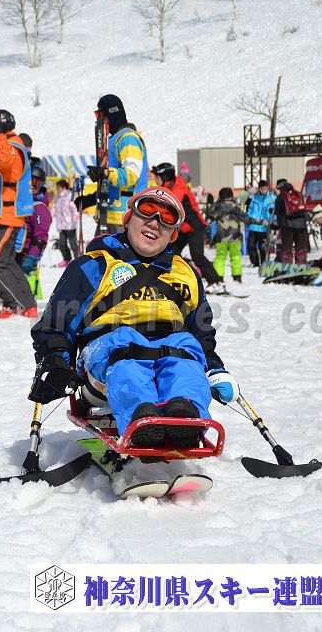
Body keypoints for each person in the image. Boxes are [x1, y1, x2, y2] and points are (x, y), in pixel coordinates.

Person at [29, 187, 239, 449]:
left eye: (167, 218)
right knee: (124, 349)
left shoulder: (186, 273)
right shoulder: (94, 265)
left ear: (173, 234)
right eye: (147, 211)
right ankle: (143, 419)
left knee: (186, 352)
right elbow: (56, 322)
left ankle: (185, 415)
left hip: (172, 346)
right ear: (128, 219)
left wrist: (214, 367)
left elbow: (201, 332)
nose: (155, 222)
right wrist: (56, 360)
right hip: (110, 351)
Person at [0, 109, 36, 318]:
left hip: (9, 212)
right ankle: (18, 303)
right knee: (4, 261)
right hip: (0, 212)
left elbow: (4, 165)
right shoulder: (3, 144)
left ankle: (22, 303)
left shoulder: (14, 144)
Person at [151, 163, 224, 294]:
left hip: (194, 226)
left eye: (157, 177)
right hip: (184, 228)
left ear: (164, 177)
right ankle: (177, 278)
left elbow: (170, 208)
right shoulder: (169, 188)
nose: (155, 180)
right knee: (172, 252)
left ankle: (216, 282)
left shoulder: (177, 189)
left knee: (197, 256)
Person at [86, 94, 148, 234]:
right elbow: (111, 183)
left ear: (111, 114)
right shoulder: (114, 140)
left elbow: (131, 174)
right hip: (110, 215)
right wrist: (90, 199)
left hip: (124, 216)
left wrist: (105, 172)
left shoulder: (128, 139)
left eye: (100, 115)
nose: (98, 120)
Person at [16, 163, 52, 304]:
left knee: (25, 287)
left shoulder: (40, 209)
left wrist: (31, 257)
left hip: (26, 255)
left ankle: (30, 302)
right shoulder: (21, 202)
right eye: (30, 181)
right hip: (14, 251)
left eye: (36, 183)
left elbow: (40, 237)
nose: (32, 185)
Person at [208, 187, 250, 284]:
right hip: (235, 236)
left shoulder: (217, 206)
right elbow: (245, 218)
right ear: (231, 195)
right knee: (235, 256)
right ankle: (237, 276)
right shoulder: (235, 206)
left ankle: (218, 277)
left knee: (220, 256)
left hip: (221, 236)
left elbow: (210, 216)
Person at [275, 178, 308, 264]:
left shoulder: (280, 197)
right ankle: (301, 266)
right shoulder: (299, 194)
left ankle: (287, 266)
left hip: (287, 226)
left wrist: (279, 226)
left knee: (287, 249)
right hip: (301, 226)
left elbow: (279, 214)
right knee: (300, 248)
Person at [246, 179, 273, 267]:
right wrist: (249, 217)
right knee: (251, 246)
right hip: (253, 226)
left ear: (267, 187)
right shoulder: (255, 198)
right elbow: (250, 209)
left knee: (263, 247)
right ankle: (255, 262)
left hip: (264, 227)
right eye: (261, 189)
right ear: (259, 189)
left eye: (264, 189)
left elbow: (273, 213)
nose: (263, 191)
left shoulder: (272, 198)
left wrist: (270, 221)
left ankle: (264, 263)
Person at [52, 179, 79, 267]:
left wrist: (75, 217)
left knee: (73, 244)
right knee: (62, 243)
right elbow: (54, 207)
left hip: (70, 224)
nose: (57, 189)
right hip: (61, 225)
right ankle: (67, 259)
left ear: (64, 187)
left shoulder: (69, 196)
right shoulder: (57, 197)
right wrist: (50, 216)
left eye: (58, 187)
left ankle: (78, 260)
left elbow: (74, 208)